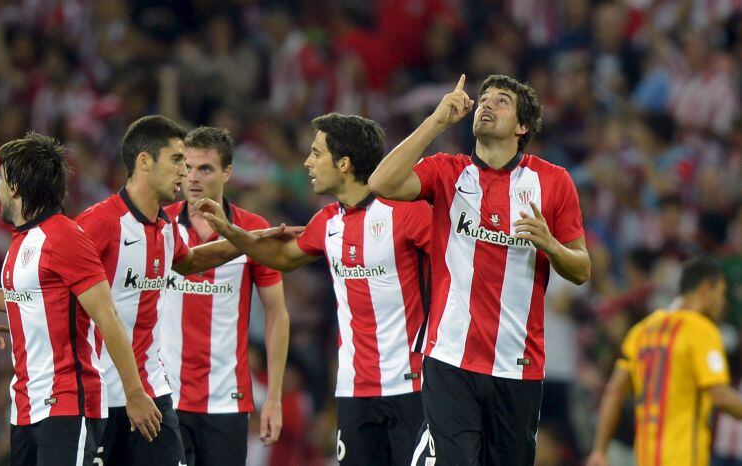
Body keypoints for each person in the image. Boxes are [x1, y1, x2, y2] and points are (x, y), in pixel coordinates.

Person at [368, 74, 591, 465]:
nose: (486, 104)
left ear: (522, 126)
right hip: (450, 356)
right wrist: (437, 121)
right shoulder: (446, 170)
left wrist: (551, 245)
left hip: (517, 364)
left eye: (501, 101)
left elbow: (582, 269)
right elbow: (380, 182)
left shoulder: (554, 182)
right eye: (484, 98)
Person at [197, 113, 432, 466]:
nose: (307, 162)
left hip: (413, 385)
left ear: (344, 163)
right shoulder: (327, 221)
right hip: (354, 389)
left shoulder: (409, 214)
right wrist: (232, 232)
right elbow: (282, 257)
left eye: (317, 153)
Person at [74, 115, 256, 466]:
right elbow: (55, 292)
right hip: (103, 395)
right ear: (145, 161)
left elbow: (189, 261)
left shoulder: (166, 226)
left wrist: (254, 239)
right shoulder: (100, 223)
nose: (185, 173)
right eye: (176, 161)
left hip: (153, 393)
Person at [0, 132, 161, 466]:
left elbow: (108, 317)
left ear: (14, 187)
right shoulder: (23, 239)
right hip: (26, 406)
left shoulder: (65, 237)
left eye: (1, 180)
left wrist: (134, 393)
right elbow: (28, 298)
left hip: (68, 404)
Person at [159, 126, 290, 466]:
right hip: (165, 397)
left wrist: (274, 397)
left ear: (227, 172)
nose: (193, 178)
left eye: (205, 168)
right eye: (187, 167)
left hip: (226, 400)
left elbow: (277, 313)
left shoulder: (251, 229)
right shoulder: (160, 226)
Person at [587, 257, 742, 466]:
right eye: (720, 293)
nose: (722, 303)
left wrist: (599, 450)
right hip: (683, 459)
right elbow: (720, 396)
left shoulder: (642, 331)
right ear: (706, 289)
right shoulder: (701, 330)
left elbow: (614, 391)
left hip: (646, 459)